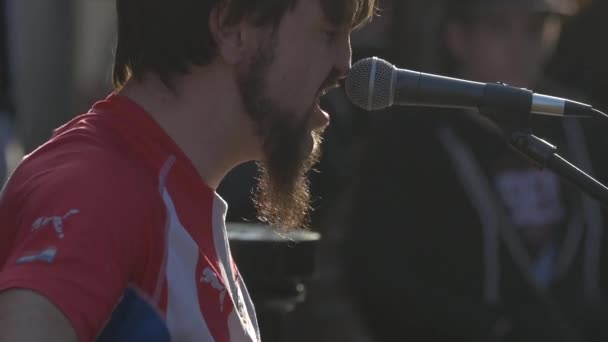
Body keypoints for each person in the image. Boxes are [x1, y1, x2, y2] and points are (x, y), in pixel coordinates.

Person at [0, 0, 375, 340]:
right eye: (328, 32)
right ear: (232, 27)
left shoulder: (163, 189)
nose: (345, 63)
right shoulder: (97, 188)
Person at [345, 0, 608, 341]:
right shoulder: (412, 142)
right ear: (458, 37)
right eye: (499, 28)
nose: (520, 48)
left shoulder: (583, 127)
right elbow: (382, 277)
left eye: (536, 29)